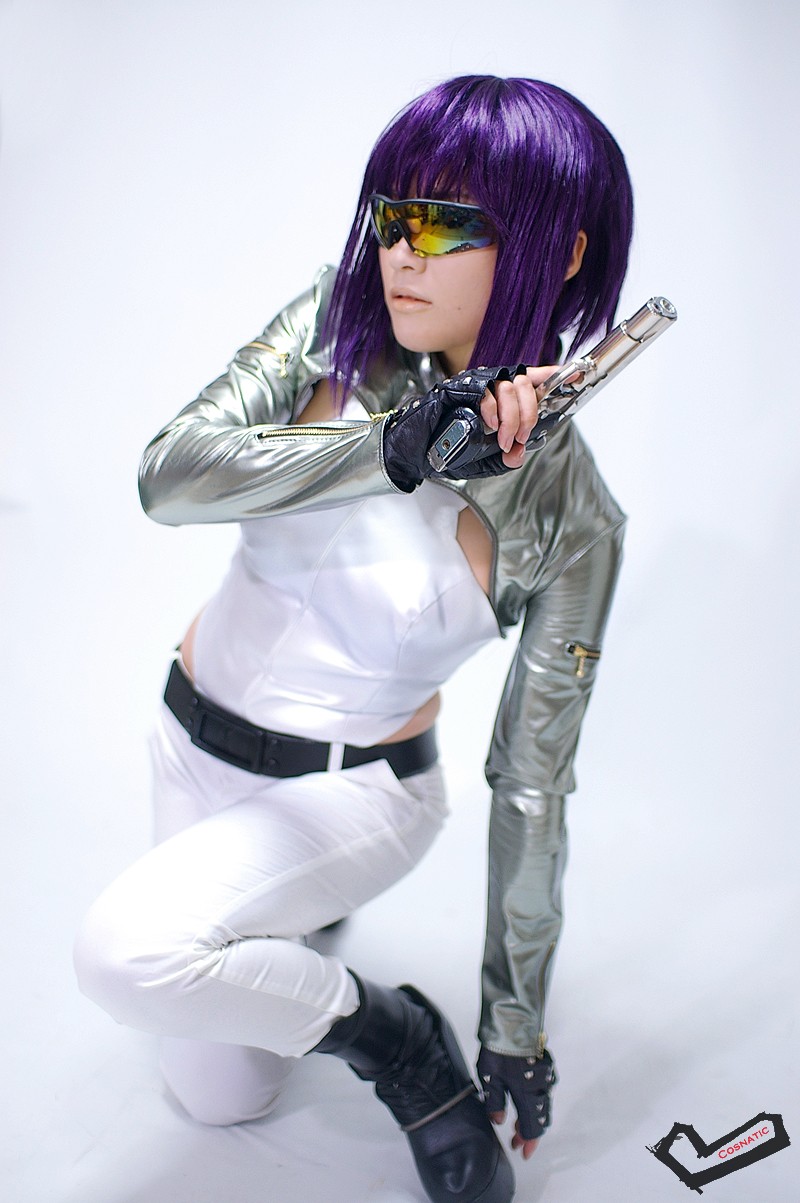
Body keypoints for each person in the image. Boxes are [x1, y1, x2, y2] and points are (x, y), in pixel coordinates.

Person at [74, 75, 633, 1203]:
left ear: (561, 251)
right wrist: (393, 448)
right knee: (219, 1096)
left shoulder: (574, 523)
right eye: (391, 214)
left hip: (350, 792)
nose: (401, 254)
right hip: (188, 748)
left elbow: (533, 788)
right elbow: (166, 479)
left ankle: (397, 1042)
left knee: (124, 957)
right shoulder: (334, 323)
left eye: (446, 224)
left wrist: (511, 1025)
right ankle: (311, 941)